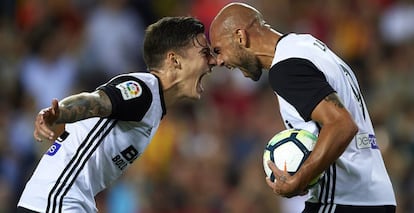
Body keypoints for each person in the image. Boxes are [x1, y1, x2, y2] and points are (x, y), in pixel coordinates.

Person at [209, 2, 397, 213]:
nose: (219, 61)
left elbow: (342, 125)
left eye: (218, 50)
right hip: (373, 195)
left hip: (344, 199)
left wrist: (299, 179)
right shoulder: (305, 45)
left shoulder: (286, 69)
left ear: (240, 37)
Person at [17, 16, 216, 213]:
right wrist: (59, 113)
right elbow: (95, 101)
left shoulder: (154, 104)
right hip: (57, 200)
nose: (212, 61)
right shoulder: (142, 91)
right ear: (174, 60)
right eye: (204, 52)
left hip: (60, 199)